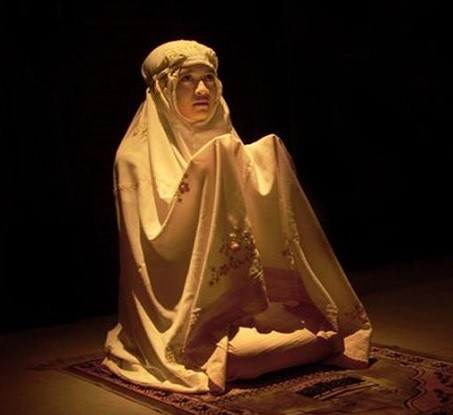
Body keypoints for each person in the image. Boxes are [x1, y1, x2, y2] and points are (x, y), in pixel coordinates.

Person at [102, 39, 372, 394]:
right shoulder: (135, 159)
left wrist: (259, 164)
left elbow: (250, 222)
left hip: (253, 305)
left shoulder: (224, 139)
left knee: (323, 333)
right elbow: (152, 253)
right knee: (243, 357)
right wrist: (210, 170)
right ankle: (215, 343)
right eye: (187, 79)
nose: (202, 90)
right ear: (163, 89)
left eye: (208, 78)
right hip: (187, 311)